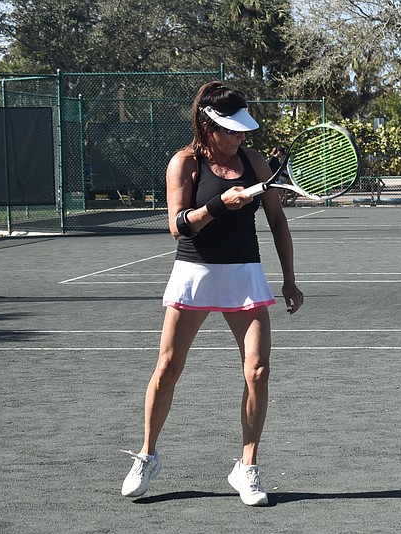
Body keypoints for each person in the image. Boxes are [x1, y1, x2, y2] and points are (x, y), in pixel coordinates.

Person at [120, 81, 304, 506]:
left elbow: (277, 221)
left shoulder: (255, 163)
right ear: (208, 126)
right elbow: (178, 225)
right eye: (232, 130)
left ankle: (247, 467)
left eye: (243, 130)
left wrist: (290, 279)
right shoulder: (184, 163)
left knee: (258, 370)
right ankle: (148, 455)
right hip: (194, 272)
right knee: (167, 367)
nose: (240, 137)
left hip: (245, 274)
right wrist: (222, 204)